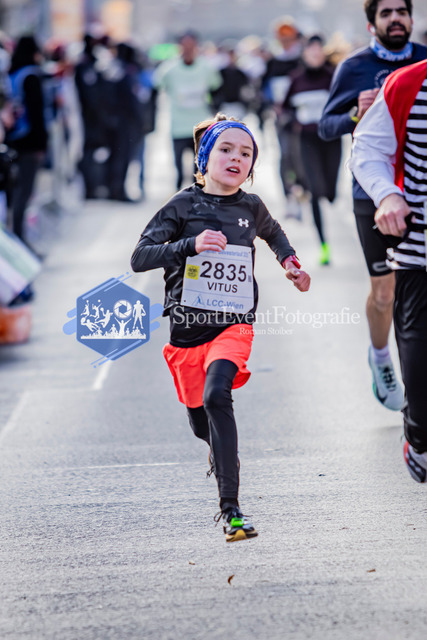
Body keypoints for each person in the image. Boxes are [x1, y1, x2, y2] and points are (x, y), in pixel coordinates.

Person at [131, 113, 310, 541]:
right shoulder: (181, 205)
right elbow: (140, 257)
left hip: (234, 323)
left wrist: (290, 263)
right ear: (205, 158)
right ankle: (219, 449)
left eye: (246, 154)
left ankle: (231, 510)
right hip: (187, 331)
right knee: (201, 423)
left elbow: (274, 233)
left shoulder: (252, 206)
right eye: (226, 150)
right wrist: (190, 245)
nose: (236, 158)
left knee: (217, 395)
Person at [318, 0, 427, 411]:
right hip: (373, 194)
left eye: (402, 11)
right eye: (386, 13)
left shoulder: (423, 62)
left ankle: (416, 385)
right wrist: (355, 113)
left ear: (412, 19)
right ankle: (381, 358)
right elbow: (326, 126)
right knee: (385, 292)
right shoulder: (354, 67)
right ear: (372, 24)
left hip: (417, 195)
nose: (395, 18)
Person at [349, 59, 427, 483]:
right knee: (421, 385)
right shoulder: (408, 83)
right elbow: (367, 149)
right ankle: (418, 435)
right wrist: (387, 195)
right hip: (419, 253)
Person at [284, 35, 341, 265]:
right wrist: (289, 119)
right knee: (315, 192)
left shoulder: (333, 77)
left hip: (331, 139)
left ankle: (329, 193)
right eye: (311, 50)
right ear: (304, 54)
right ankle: (323, 245)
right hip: (307, 141)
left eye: (319, 50)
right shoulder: (296, 79)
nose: (315, 54)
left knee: (330, 193)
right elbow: (285, 107)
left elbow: (345, 102)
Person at [153, 32, 222, 190]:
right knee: (178, 166)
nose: (188, 49)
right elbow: (157, 86)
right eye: (185, 45)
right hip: (178, 125)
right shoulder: (169, 69)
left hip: (200, 125)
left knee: (198, 167)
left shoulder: (207, 68)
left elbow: (216, 89)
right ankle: (179, 195)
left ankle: (197, 195)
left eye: (191, 45)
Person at [262, 17, 306, 218]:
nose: (286, 42)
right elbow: (265, 87)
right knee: (286, 154)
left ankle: (303, 189)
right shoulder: (273, 62)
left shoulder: (302, 60)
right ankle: (288, 194)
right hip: (282, 117)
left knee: (301, 155)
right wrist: (272, 105)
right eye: (283, 38)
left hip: (302, 116)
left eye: (289, 38)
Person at [5, 34, 47, 245]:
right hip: (29, 143)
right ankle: (20, 239)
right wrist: (42, 144)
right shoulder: (31, 76)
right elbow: (37, 113)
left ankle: (16, 236)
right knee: (25, 192)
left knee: (15, 193)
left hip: (13, 140)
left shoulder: (12, 74)